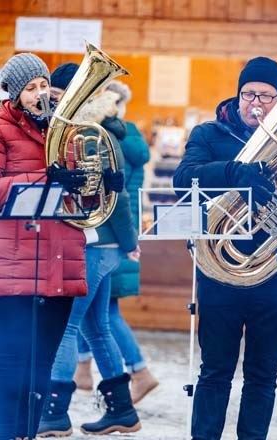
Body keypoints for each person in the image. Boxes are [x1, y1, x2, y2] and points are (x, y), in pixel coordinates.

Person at [173, 56, 277, 440]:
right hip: (219, 273)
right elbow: (183, 179)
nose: (255, 102)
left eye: (266, 95)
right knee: (215, 371)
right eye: (248, 94)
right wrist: (232, 171)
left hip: (275, 274)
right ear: (238, 94)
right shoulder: (210, 134)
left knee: (263, 375)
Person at [0, 52, 93, 440]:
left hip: (60, 263)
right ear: (14, 93)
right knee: (10, 363)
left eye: (44, 85)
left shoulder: (65, 129)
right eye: (31, 88)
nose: (41, 94)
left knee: (41, 367)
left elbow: (78, 199)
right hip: (14, 267)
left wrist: (99, 186)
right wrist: (46, 178)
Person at [37, 65, 141, 437]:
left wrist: (130, 244)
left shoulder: (88, 133)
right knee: (97, 327)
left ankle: (54, 412)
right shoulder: (95, 129)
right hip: (102, 243)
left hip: (95, 242)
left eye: (54, 95)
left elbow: (119, 193)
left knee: (66, 326)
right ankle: (122, 410)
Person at [73, 80, 158, 405]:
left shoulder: (108, 136)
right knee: (98, 309)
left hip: (112, 232)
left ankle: (139, 372)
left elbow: (113, 192)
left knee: (103, 312)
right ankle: (84, 370)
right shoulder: (131, 135)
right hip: (122, 231)